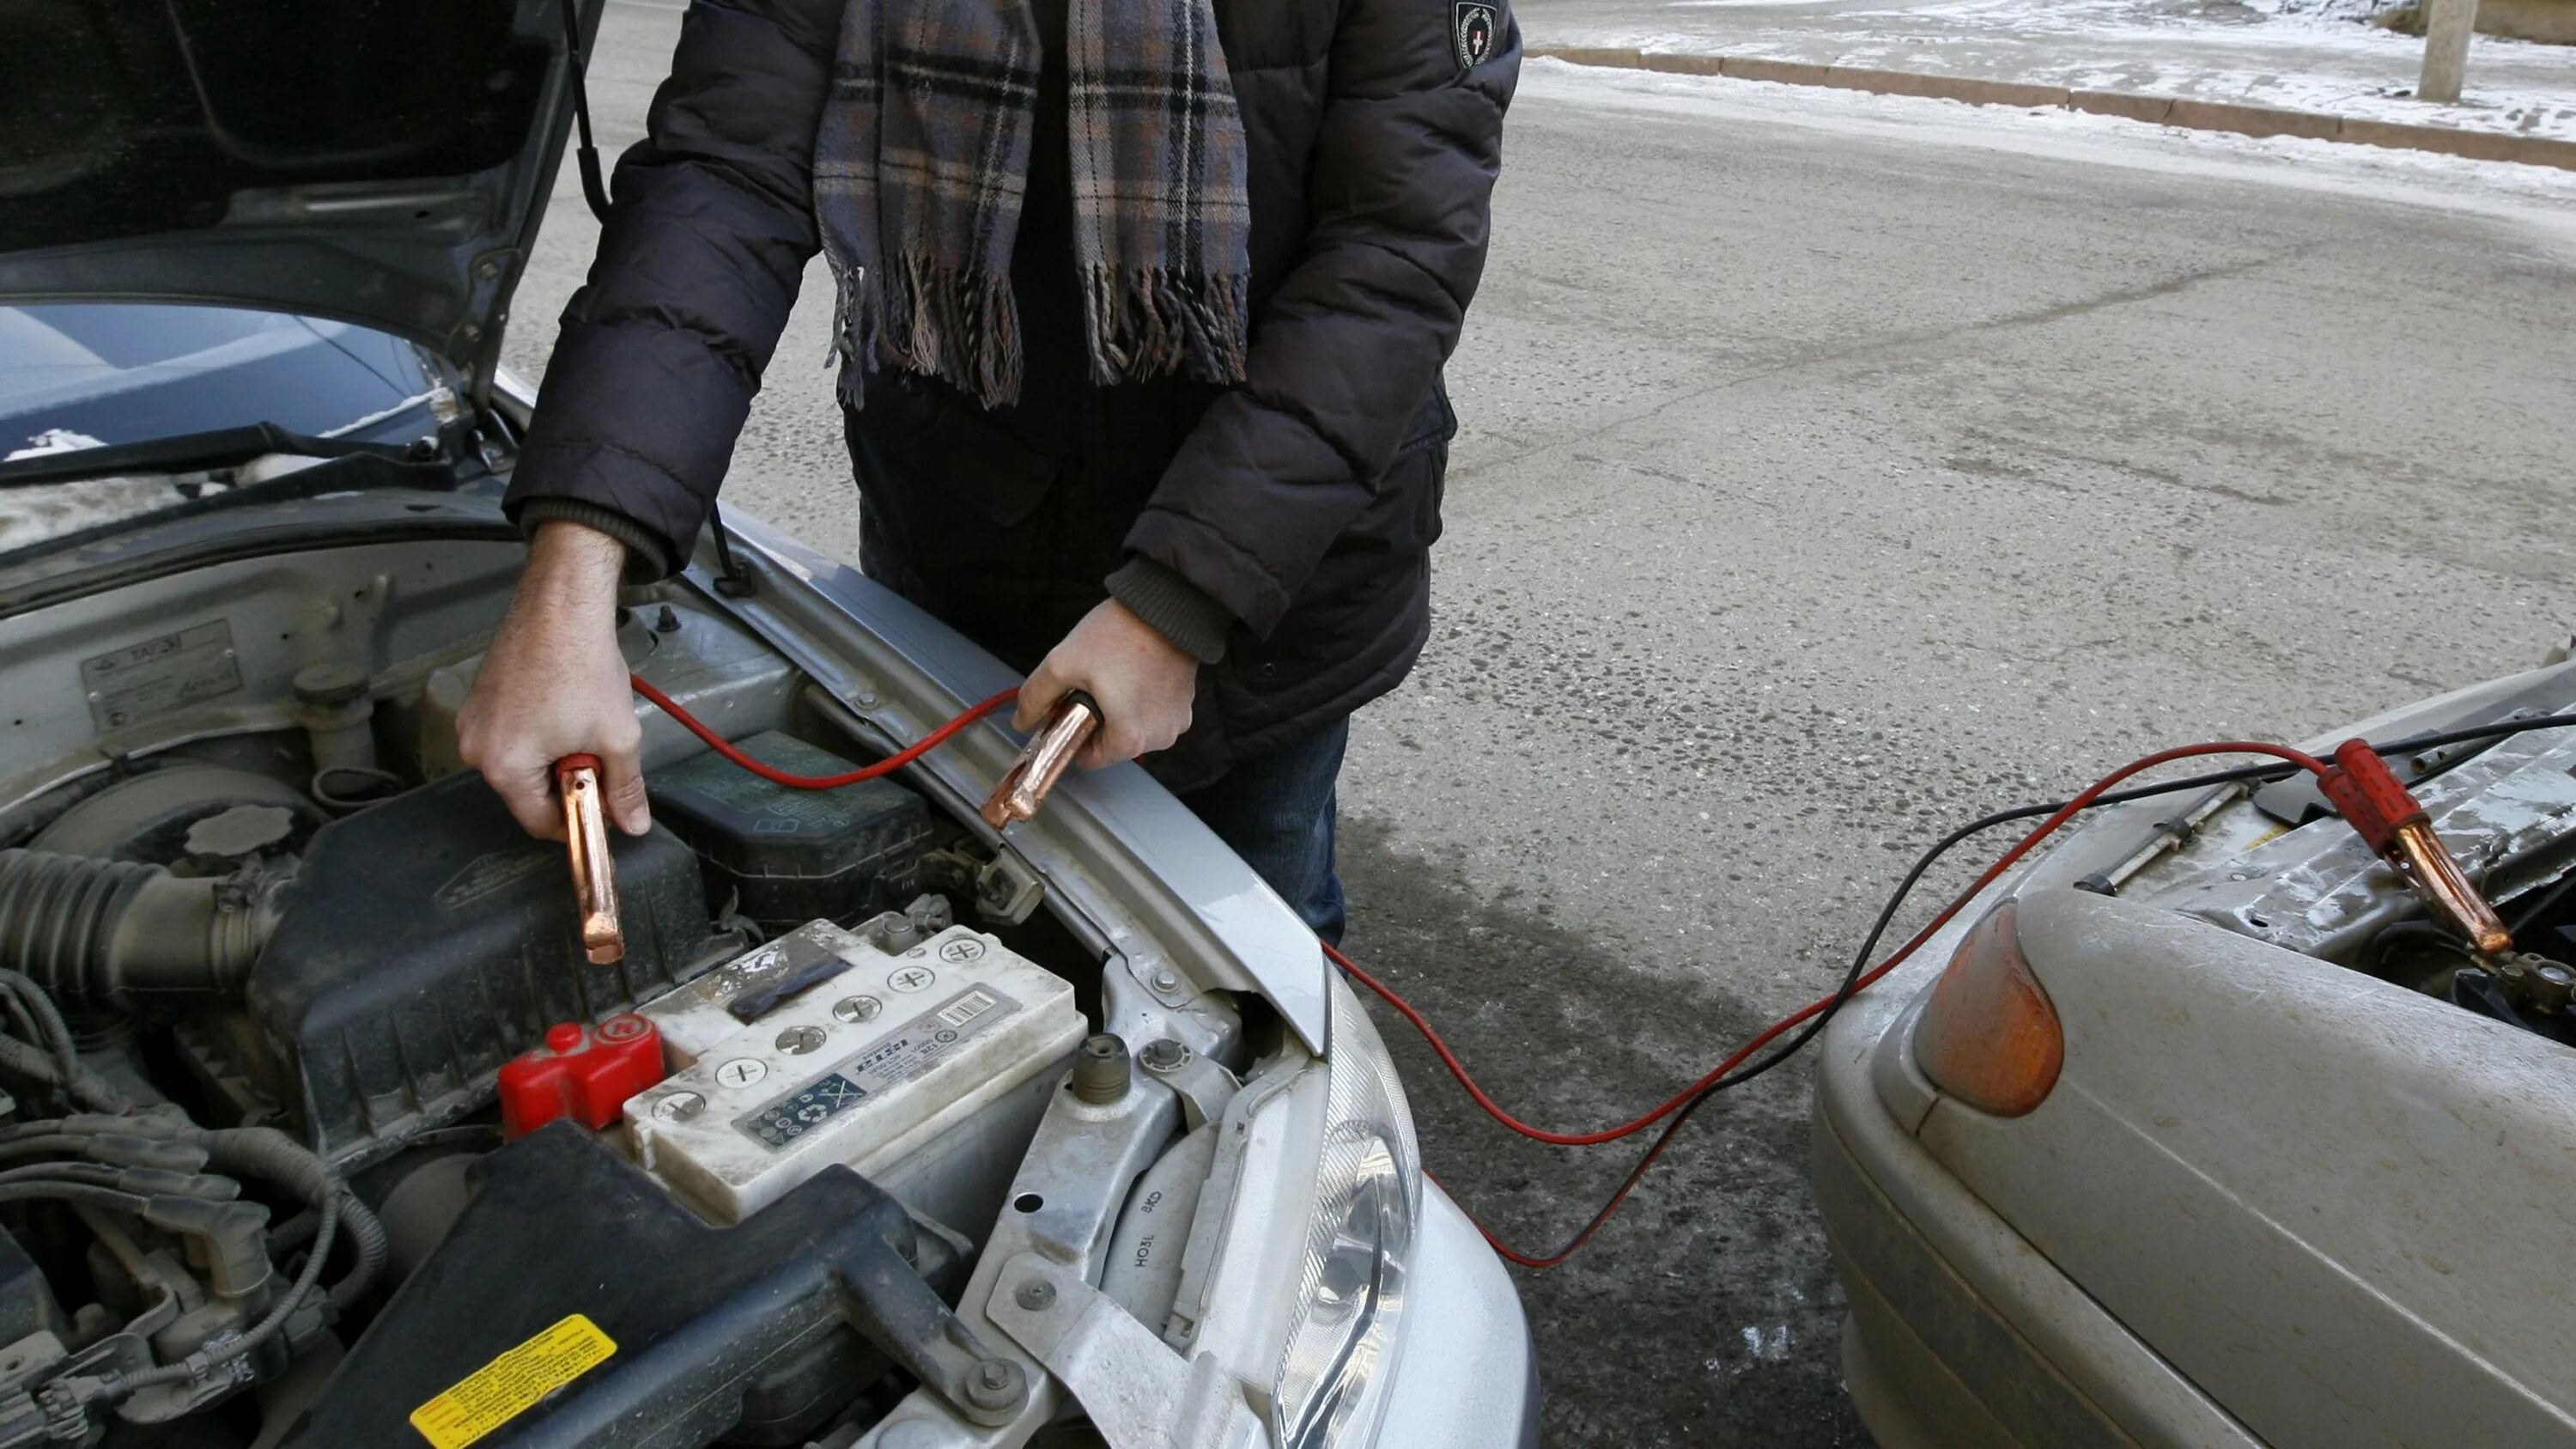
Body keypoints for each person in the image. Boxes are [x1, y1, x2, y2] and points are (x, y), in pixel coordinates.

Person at [457, 0, 1518, 943]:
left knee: (1259, 942)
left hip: (1268, 582)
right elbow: (725, 181)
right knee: (973, 926)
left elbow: (1393, 259)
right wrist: (571, 581)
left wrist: (1178, 605)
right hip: (964, 534)